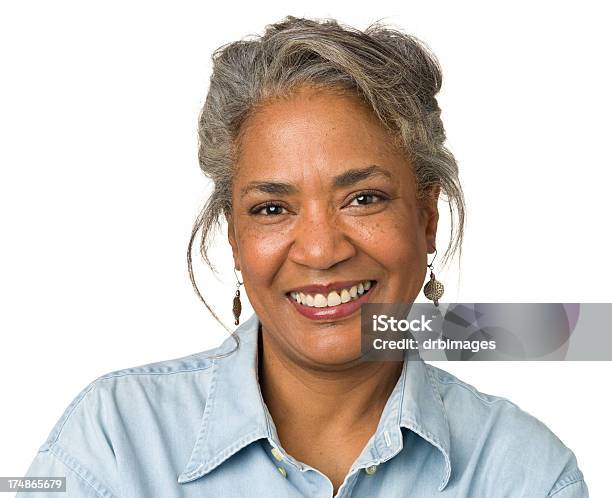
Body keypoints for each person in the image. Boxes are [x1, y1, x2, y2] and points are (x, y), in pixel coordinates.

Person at [20, 16, 588, 497]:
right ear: (234, 237)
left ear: (427, 217)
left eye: (363, 199)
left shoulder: (525, 472)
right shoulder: (112, 440)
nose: (321, 250)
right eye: (271, 208)